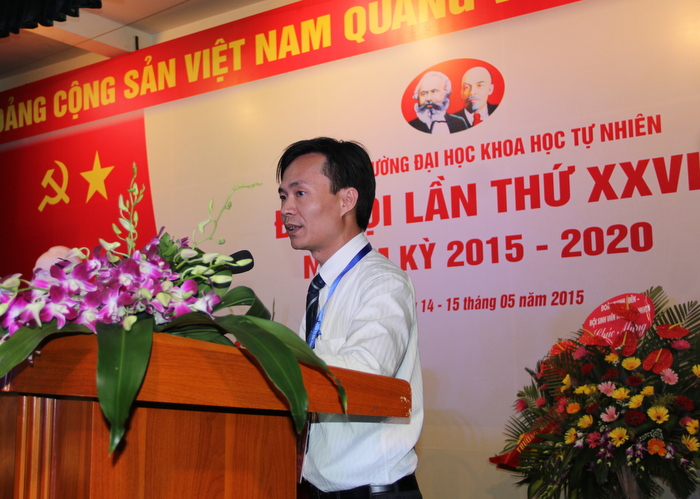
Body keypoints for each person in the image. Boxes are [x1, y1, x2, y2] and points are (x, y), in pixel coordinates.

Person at [277, 137, 424, 498]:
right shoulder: (322, 286)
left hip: (371, 492)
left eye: (300, 194)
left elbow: (366, 375)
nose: (286, 209)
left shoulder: (382, 283)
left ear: (347, 200)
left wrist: (278, 360)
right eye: (283, 196)